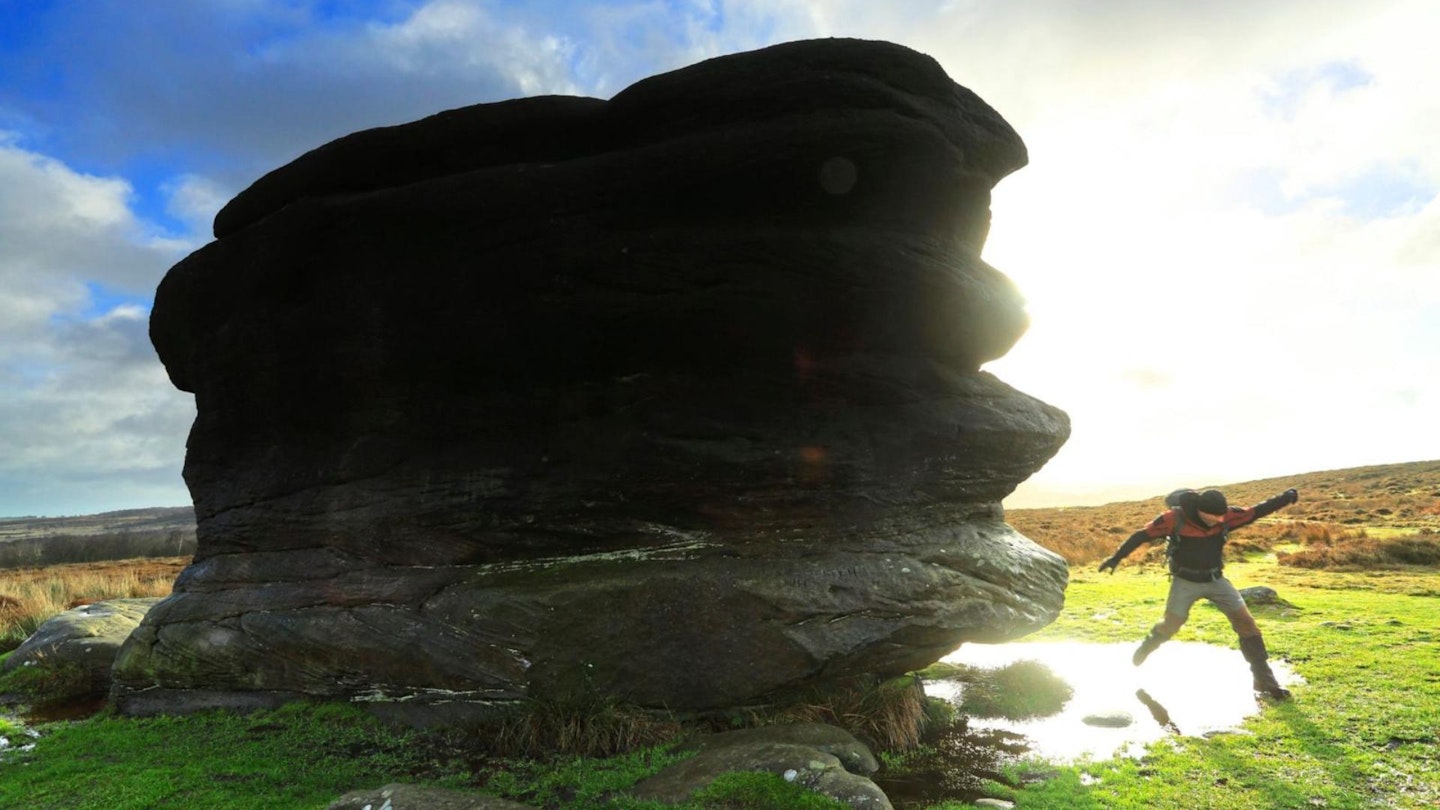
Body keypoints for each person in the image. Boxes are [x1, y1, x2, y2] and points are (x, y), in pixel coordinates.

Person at [1098, 486, 1300, 699]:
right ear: (1200, 510)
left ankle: (1265, 681)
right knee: (1171, 624)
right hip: (1185, 582)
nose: (1219, 520)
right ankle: (1149, 645)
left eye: (1221, 516)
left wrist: (1285, 498)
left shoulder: (1226, 517)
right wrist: (1116, 558)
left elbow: (1257, 511)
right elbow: (1141, 535)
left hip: (1216, 580)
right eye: (1213, 516)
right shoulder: (1173, 519)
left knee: (1246, 624)